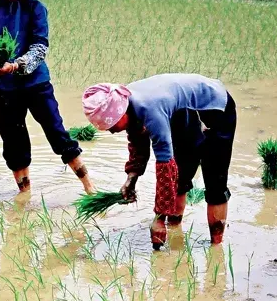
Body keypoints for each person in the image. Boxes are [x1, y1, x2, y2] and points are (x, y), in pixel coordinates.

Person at [0, 0, 94, 194]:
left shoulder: (37, 8)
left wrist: (16, 65)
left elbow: (40, 46)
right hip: (4, 89)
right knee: (13, 142)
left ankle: (90, 188)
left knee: (57, 133)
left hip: (36, 84)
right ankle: (24, 194)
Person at [82, 74, 237, 248]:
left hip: (215, 107)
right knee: (181, 174)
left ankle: (216, 249)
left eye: (112, 126)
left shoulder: (149, 109)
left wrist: (158, 218)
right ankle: (175, 232)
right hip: (184, 111)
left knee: (215, 180)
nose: (111, 131)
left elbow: (165, 167)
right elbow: (138, 140)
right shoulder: (126, 102)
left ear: (121, 113)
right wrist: (131, 179)